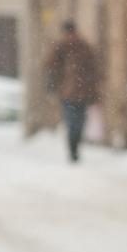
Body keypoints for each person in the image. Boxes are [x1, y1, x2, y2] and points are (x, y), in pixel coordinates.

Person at [45, 19, 100, 163]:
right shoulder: (83, 46)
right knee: (79, 121)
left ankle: (73, 149)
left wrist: (52, 86)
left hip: (68, 92)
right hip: (81, 92)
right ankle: (75, 148)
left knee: (72, 122)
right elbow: (94, 71)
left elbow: (51, 67)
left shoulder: (61, 46)